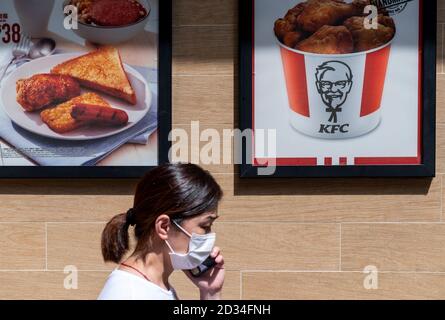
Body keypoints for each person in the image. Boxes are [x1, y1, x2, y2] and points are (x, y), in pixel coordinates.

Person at [98, 163, 224, 300]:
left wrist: (211, 293)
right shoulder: (127, 293)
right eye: (205, 226)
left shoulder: (156, 286)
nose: (209, 237)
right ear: (164, 227)